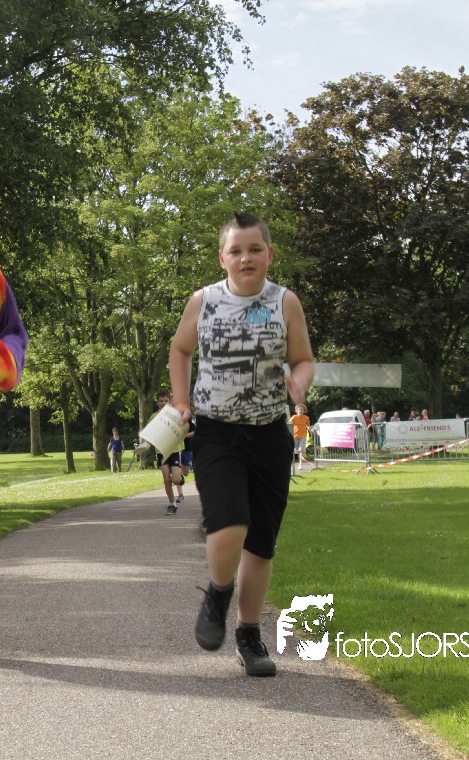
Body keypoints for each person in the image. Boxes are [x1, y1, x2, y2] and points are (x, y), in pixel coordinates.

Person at [168, 212, 314, 677]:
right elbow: (180, 349)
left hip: (270, 434)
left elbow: (303, 359)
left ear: (270, 254)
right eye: (236, 250)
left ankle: (249, 636)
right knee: (228, 524)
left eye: (254, 249)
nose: (246, 258)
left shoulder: (285, 302)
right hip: (217, 431)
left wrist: (299, 382)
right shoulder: (204, 300)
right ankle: (218, 591)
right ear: (222, 258)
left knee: (261, 544)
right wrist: (181, 401)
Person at [153, 389, 185, 514]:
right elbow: (149, 432)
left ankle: (179, 477)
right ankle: (172, 504)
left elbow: (183, 429)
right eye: (161, 401)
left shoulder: (176, 415)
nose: (163, 403)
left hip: (175, 450)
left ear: (170, 402)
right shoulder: (153, 417)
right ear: (157, 402)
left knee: (175, 480)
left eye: (166, 400)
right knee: (166, 479)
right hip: (161, 452)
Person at [290, 404, 310, 469]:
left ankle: (300, 464)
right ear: (297, 410)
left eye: (302, 409)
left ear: (304, 411)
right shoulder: (294, 417)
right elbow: (289, 424)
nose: (300, 410)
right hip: (295, 436)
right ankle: (291, 463)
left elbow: (308, 425)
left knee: (301, 450)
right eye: (299, 409)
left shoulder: (306, 418)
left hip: (303, 435)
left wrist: (310, 429)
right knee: (295, 451)